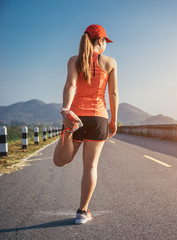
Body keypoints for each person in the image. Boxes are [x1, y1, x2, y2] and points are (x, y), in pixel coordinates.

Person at [53, 24, 118, 224]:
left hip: (77, 114)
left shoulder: (74, 61)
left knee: (60, 161)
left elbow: (70, 85)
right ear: (100, 41)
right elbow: (113, 93)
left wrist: (66, 110)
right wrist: (114, 119)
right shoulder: (109, 62)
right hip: (99, 118)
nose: (106, 45)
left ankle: (68, 131)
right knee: (90, 166)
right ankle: (82, 212)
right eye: (106, 41)